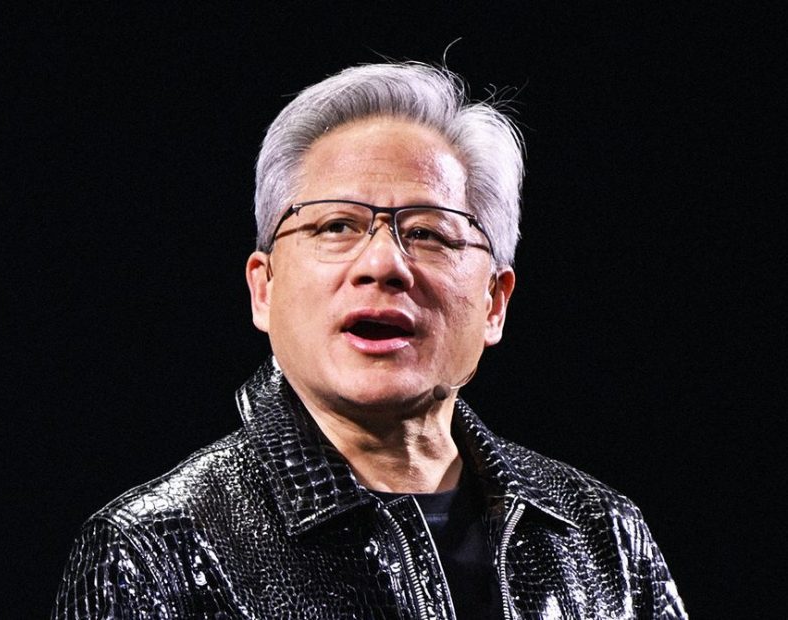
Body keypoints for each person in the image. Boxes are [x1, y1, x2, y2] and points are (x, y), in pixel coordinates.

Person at [52, 63, 687, 619]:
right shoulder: (154, 552)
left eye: (429, 233)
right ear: (264, 288)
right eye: (337, 225)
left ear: (494, 302)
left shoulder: (602, 535)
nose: (383, 264)